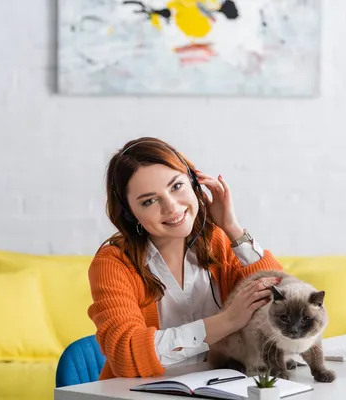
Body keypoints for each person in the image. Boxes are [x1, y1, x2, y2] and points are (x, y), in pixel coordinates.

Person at [87, 137, 284, 379]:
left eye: (176, 186)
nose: (171, 207)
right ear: (130, 214)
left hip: (223, 387)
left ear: (194, 183)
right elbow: (125, 354)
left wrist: (233, 228)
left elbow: (282, 305)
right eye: (149, 201)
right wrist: (228, 321)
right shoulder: (113, 263)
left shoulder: (219, 241)